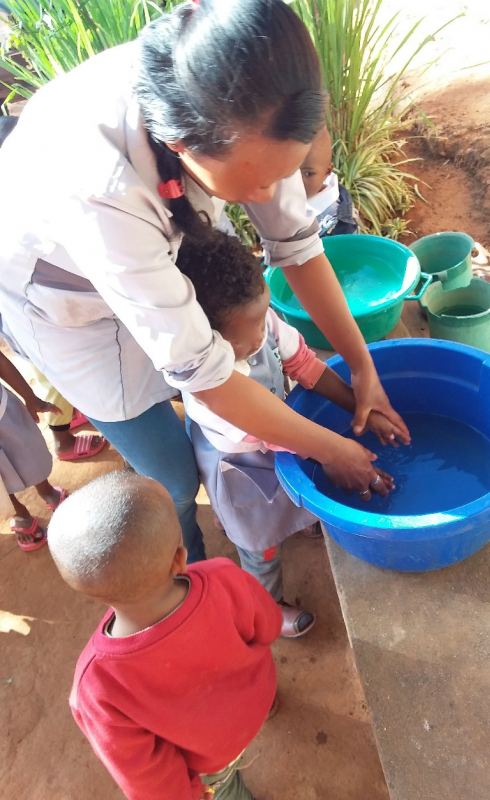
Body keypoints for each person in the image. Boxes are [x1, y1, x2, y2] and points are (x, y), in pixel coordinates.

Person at [0, 0, 409, 566]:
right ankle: (184, 570)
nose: (270, 197)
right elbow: (206, 375)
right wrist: (332, 449)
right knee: (170, 477)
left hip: (160, 243)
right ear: (181, 146)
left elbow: (296, 245)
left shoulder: (246, 103)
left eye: (282, 174)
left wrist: (362, 368)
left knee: (201, 395)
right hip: (70, 305)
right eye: (255, 183)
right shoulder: (101, 181)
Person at [178, 231, 401, 638]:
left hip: (282, 440)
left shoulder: (258, 319)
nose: (261, 334)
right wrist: (335, 455)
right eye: (250, 331)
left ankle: (296, 520)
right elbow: (269, 437)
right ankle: (267, 603)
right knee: (258, 540)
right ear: (207, 339)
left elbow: (303, 364)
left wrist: (361, 408)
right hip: (242, 465)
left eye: (264, 316)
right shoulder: (207, 390)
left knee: (293, 495)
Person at [48, 471, 282, 800]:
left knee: (228, 791)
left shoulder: (97, 687)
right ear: (179, 558)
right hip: (258, 699)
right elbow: (269, 624)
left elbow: (147, 778)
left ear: (89, 592)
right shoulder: (222, 576)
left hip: (211, 762)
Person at [0, 115, 107, 463]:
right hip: (29, 321)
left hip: (36, 310)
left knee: (62, 372)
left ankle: (71, 410)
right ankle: (61, 437)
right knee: (51, 373)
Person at [0, 347, 67, 550]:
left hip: (2, 411)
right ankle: (19, 512)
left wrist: (30, 397)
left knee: (28, 450)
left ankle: (46, 491)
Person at [300, 125, 358, 237]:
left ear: (327, 171)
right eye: (291, 172)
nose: (297, 180)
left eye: (308, 174)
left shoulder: (341, 220)